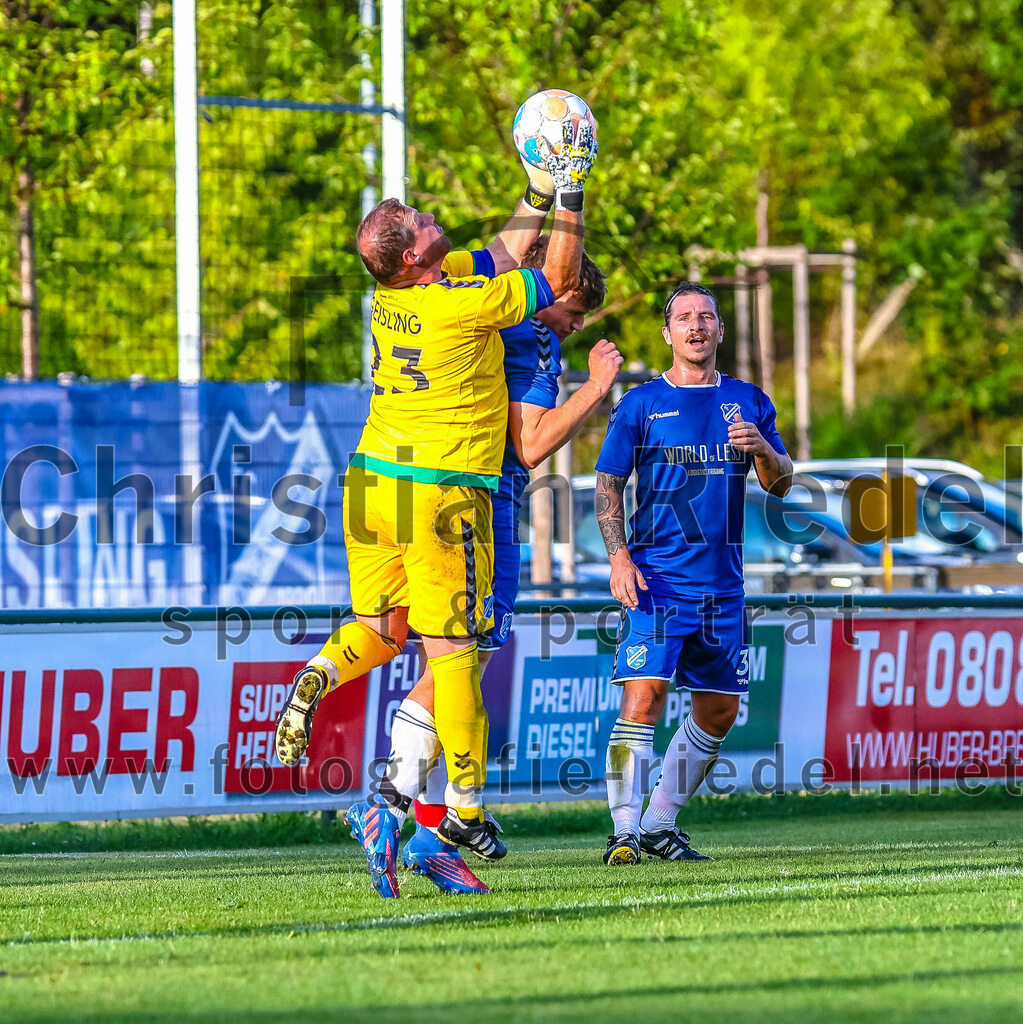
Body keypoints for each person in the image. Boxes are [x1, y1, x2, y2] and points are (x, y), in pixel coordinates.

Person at [274, 119, 597, 897]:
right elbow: (550, 275)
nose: (429, 217)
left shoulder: (398, 294)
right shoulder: (464, 310)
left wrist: (535, 191)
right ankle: (464, 810)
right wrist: (571, 189)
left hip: (371, 482)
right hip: (441, 492)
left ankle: (319, 675)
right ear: (415, 257)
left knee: (382, 629)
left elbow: (502, 252)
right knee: (456, 654)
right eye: (419, 221)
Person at [384, 237, 622, 894]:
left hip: (425, 491)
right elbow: (533, 443)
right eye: (574, 310)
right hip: (485, 506)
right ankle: (394, 807)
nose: (575, 325)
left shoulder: (470, 305)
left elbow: (506, 242)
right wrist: (596, 387)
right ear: (551, 288)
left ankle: (428, 830)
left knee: (453, 666)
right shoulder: (530, 336)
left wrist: (554, 197)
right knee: (460, 668)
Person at [594, 282, 792, 865]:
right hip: (657, 582)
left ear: (720, 330)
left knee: (719, 710)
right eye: (684, 318)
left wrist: (763, 449)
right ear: (668, 333)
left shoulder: (749, 401)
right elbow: (608, 485)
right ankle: (624, 833)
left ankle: (659, 824)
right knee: (643, 699)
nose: (696, 326)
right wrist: (619, 558)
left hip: (722, 587)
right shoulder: (641, 403)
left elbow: (781, 483)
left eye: (706, 317)